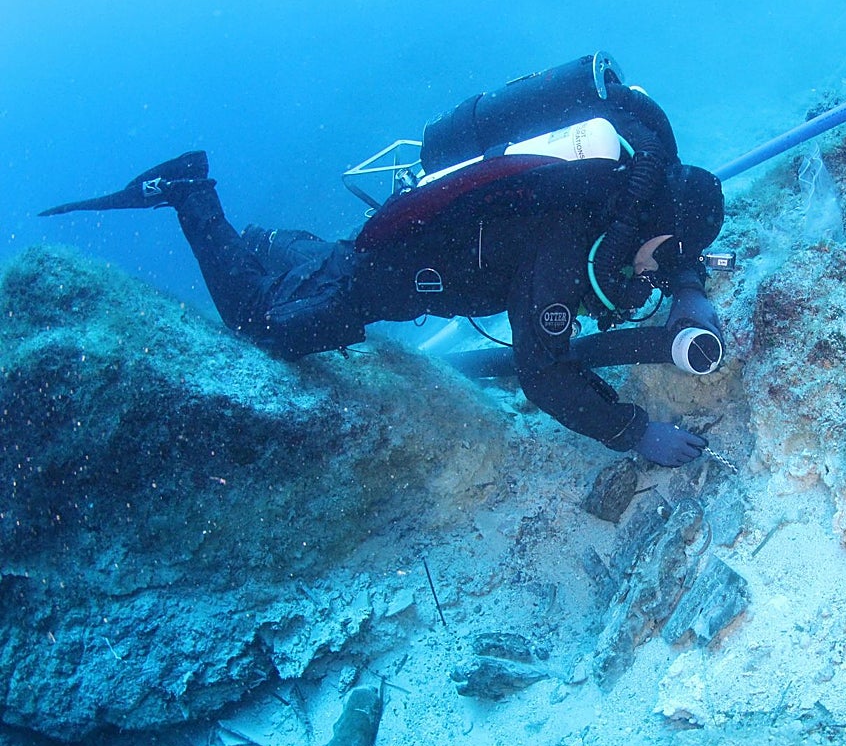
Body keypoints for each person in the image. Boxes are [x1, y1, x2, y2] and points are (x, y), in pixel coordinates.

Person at [40, 53, 726, 468]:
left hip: (404, 246)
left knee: (328, 263)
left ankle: (265, 244)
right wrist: (634, 431)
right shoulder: (567, 242)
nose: (652, 278)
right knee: (262, 327)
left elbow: (643, 265)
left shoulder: (618, 194)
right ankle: (194, 195)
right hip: (387, 280)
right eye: (664, 263)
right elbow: (543, 374)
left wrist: (687, 279)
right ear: (659, 226)